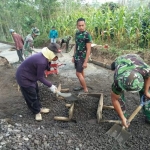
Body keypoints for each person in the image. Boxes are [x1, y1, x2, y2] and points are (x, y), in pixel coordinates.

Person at [16, 45, 60, 121]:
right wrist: (51, 86)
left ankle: (39, 108)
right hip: (24, 78)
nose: (55, 57)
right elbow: (40, 77)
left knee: (36, 91)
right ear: (51, 53)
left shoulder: (44, 55)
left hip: (30, 76)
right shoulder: (41, 61)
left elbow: (44, 68)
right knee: (31, 95)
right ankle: (36, 112)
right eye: (55, 55)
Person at [111, 54, 150, 128]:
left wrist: (146, 91)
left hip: (135, 58)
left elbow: (149, 77)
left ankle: (149, 115)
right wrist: (122, 118)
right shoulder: (118, 80)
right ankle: (124, 117)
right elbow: (114, 99)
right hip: (120, 60)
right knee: (119, 97)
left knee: (148, 92)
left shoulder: (145, 70)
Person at [72, 18, 92, 93]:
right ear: (77, 26)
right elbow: (76, 45)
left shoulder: (87, 35)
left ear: (85, 25)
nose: (81, 27)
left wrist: (86, 61)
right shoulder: (77, 33)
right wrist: (73, 56)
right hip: (77, 56)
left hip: (82, 57)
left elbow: (89, 49)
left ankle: (85, 89)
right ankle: (82, 86)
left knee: (78, 73)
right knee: (81, 72)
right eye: (79, 25)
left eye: (82, 25)